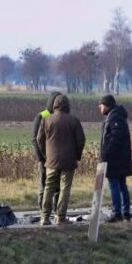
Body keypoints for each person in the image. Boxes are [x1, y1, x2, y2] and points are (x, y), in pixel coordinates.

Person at [36, 94, 85, 226]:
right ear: (67, 106)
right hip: (68, 161)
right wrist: (77, 156)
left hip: (51, 161)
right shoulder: (74, 121)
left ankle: (45, 217)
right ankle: (61, 217)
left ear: (54, 106)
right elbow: (81, 140)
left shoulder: (46, 120)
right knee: (65, 188)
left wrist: (46, 155)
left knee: (49, 187)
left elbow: (39, 140)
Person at [98, 94, 132, 222]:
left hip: (115, 160)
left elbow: (115, 138)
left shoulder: (114, 118)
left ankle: (117, 213)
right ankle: (126, 212)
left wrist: (106, 154)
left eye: (101, 105)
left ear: (107, 105)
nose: (99, 107)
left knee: (114, 185)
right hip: (121, 159)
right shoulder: (116, 116)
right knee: (122, 185)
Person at [31, 91, 61, 210]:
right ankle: (43, 210)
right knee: (44, 185)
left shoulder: (60, 116)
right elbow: (35, 139)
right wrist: (41, 158)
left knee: (58, 186)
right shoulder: (41, 116)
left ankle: (57, 210)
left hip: (57, 158)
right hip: (44, 159)